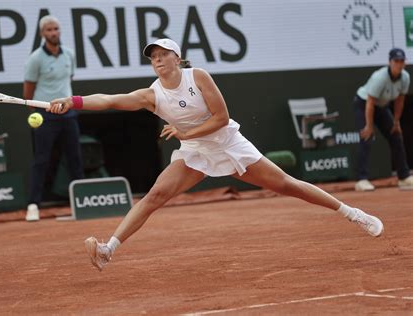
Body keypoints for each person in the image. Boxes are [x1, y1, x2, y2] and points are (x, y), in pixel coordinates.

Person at [48, 38, 384, 271]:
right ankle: (109, 249)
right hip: (194, 151)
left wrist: (184, 132)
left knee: (286, 184)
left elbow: (221, 118)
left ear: (176, 58)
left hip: (227, 142)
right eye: (153, 57)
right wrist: (72, 101)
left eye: (163, 54)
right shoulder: (151, 95)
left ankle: (352, 212)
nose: (158, 60)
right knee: (156, 195)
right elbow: (108, 100)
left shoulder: (199, 77)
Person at [23, 15, 84, 221]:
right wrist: (35, 112)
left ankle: (81, 202)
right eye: (49, 30)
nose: (53, 33)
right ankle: (33, 205)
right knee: (41, 160)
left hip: (68, 113)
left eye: (56, 29)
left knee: (75, 157)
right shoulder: (35, 59)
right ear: (42, 34)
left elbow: (69, 80)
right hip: (44, 114)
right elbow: (28, 91)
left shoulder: (70, 55)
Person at [353, 48, 413, 191]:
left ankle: (403, 177)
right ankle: (361, 180)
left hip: (381, 106)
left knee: (396, 136)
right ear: (390, 62)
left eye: (401, 61)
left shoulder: (405, 77)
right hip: (363, 103)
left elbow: (400, 100)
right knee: (366, 137)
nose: (399, 64)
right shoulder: (379, 77)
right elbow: (370, 102)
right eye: (396, 61)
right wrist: (368, 125)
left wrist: (396, 121)